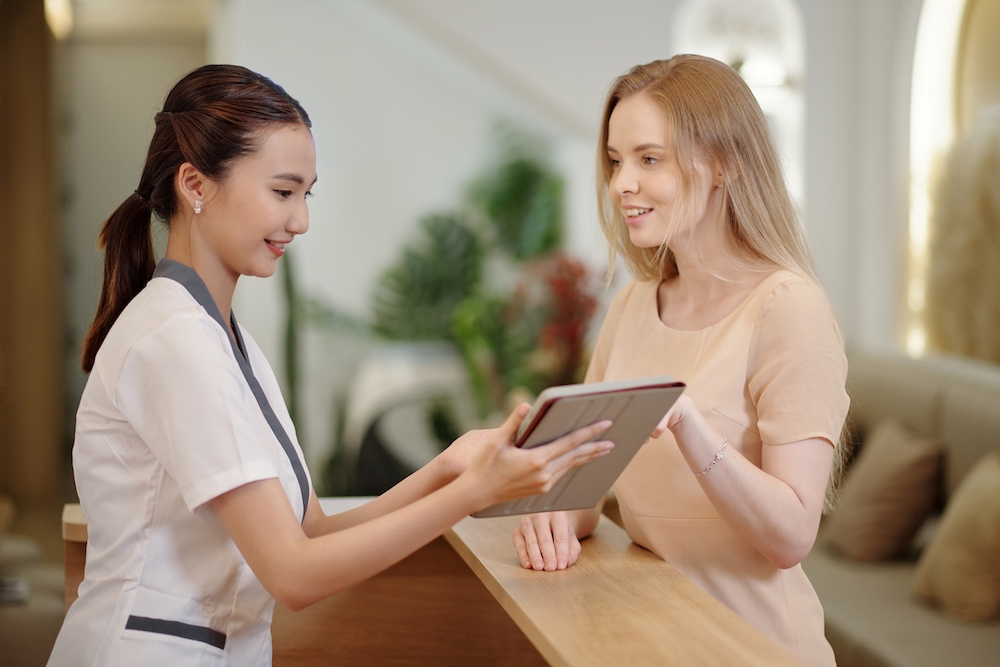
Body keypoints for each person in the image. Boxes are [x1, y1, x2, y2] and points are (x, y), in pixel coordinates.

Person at [48, 64, 614, 667]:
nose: (301, 221)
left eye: (306, 195)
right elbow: (294, 574)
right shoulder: (176, 339)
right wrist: (475, 492)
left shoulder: (223, 337)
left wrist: (448, 469)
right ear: (195, 184)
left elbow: (310, 530)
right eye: (283, 192)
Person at [512, 55, 849, 667]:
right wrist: (554, 509)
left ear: (725, 164)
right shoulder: (633, 307)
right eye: (616, 162)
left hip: (757, 649)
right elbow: (585, 490)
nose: (621, 185)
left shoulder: (788, 309)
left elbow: (792, 535)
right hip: (652, 636)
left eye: (649, 159)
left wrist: (692, 428)